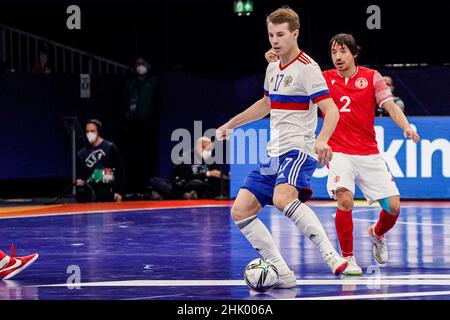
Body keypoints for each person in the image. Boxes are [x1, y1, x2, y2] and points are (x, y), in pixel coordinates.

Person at [264, 34, 420, 276]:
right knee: (345, 200)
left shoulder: (371, 77)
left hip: (368, 152)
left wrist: (407, 127)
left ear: (354, 53)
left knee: (393, 207)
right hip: (337, 152)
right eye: (334, 52)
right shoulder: (324, 78)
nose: (337, 57)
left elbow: (390, 107)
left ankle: (377, 234)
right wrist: (278, 60)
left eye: (343, 51)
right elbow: (294, 75)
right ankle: (348, 258)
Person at [216, 7, 348, 289]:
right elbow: (266, 104)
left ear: (295, 34)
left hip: (299, 149)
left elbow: (331, 110)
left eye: (280, 34)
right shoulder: (273, 67)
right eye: (270, 34)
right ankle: (282, 273)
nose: (274, 40)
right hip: (274, 152)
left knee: (282, 198)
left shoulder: (308, 68)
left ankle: (330, 255)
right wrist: (232, 123)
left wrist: (322, 139)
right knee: (240, 210)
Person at [149, 137, 229, 200]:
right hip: (181, 184)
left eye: (210, 149)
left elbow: (217, 172)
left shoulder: (210, 159)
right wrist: (208, 174)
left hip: (200, 185)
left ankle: (164, 195)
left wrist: (220, 175)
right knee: (154, 180)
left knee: (204, 184)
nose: (209, 152)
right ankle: (183, 195)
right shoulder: (185, 157)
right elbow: (186, 176)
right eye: (207, 149)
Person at [123, 57, 159, 193]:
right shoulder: (131, 83)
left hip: (147, 126)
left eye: (143, 63)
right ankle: (133, 187)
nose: (140, 67)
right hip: (132, 126)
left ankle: (146, 188)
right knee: (133, 158)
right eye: (138, 64)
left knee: (146, 158)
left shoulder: (153, 82)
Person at [76, 119, 126, 202]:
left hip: (108, 191)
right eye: (87, 131)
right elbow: (81, 176)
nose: (89, 134)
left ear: (98, 131)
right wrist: (80, 181)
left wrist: (119, 192)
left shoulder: (110, 147)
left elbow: (120, 172)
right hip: (90, 192)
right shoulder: (82, 154)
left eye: (92, 131)